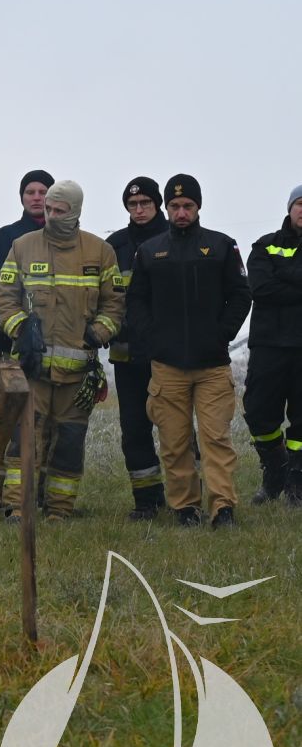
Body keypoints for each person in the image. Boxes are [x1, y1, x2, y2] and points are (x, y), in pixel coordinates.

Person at [0, 179, 121, 519]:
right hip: (32, 370)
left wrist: (99, 332)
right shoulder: (22, 246)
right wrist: (20, 327)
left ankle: (59, 510)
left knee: (68, 444)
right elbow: (1, 295)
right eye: (48, 209)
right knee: (24, 443)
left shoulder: (100, 252)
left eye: (59, 211)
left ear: (75, 211)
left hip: (78, 375)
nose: (51, 216)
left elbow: (115, 303)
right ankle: (17, 508)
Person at [129, 175, 249, 528]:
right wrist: (152, 339)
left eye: (188, 206)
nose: (181, 212)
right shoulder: (149, 252)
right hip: (167, 366)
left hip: (212, 364)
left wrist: (222, 333)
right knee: (174, 441)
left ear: (198, 208)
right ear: (166, 209)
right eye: (175, 206)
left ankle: (222, 507)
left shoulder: (223, 246)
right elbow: (135, 301)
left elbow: (241, 295)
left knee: (215, 439)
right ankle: (185, 507)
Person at [104, 177, 170, 519]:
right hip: (127, 355)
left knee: (175, 428)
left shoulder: (176, 239)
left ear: (157, 203)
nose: (139, 209)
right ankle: (147, 501)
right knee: (134, 430)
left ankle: (187, 497)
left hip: (168, 354)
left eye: (145, 203)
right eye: (133, 205)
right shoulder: (114, 246)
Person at [242, 185, 302, 505]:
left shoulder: (272, 255)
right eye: (300, 204)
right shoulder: (264, 246)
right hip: (269, 345)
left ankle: (297, 481)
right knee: (258, 412)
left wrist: (285, 279)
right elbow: (261, 288)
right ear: (290, 208)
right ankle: (274, 471)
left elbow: (274, 287)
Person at [0, 170, 52, 356]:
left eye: (43, 192)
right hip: (15, 345)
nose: (36, 198)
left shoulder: (71, 240)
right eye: (30, 192)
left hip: (66, 345)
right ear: (21, 197)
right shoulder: (5, 238)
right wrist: (15, 325)